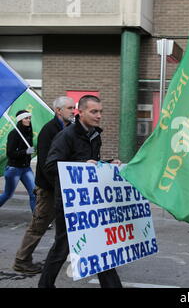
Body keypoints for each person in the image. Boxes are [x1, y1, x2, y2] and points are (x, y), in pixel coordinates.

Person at [38, 95, 122, 288]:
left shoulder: (94, 135)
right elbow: (50, 165)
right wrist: (81, 165)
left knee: (99, 246)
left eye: (100, 111)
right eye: (94, 111)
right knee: (62, 248)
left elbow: (91, 164)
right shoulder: (66, 135)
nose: (99, 115)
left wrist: (108, 164)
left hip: (89, 202)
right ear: (80, 112)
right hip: (70, 203)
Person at [13, 97, 75, 274]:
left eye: (74, 107)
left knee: (70, 227)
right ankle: (21, 260)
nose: (73, 111)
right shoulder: (49, 131)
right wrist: (56, 187)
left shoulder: (70, 128)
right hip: (49, 188)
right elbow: (46, 164)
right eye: (69, 108)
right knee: (39, 225)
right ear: (58, 110)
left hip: (64, 187)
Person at [0, 110, 36, 211]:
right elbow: (10, 153)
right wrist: (25, 152)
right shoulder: (14, 134)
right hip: (14, 169)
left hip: (26, 168)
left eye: (29, 118)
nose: (29, 120)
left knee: (34, 193)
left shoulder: (28, 133)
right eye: (26, 118)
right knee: (8, 194)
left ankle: (38, 220)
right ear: (20, 120)